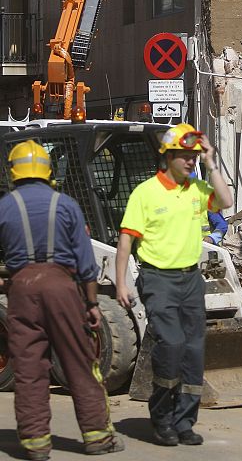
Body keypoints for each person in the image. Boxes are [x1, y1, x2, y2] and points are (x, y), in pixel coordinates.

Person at [0, 139, 124, 461]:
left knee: (28, 368)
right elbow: (86, 263)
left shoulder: (4, 206)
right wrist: (92, 303)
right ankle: (97, 437)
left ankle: (36, 443)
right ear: (48, 170)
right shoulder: (66, 205)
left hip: (22, 290)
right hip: (62, 288)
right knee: (79, 362)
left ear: (13, 171)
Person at [115, 124, 232, 447]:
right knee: (172, 344)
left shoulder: (196, 189)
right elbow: (126, 240)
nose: (191, 162)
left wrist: (210, 162)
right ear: (168, 157)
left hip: (191, 279)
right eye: (186, 156)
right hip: (158, 278)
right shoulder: (146, 192)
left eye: (194, 157)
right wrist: (121, 282)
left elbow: (227, 199)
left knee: (194, 350)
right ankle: (162, 418)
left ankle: (184, 422)